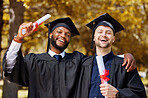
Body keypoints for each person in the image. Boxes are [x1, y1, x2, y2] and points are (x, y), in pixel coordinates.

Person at [3, 17, 136, 98]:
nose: (63, 36)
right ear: (50, 35)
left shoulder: (76, 60)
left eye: (67, 34)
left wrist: (125, 56)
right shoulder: (34, 61)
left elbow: (100, 59)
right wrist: (19, 38)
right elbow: (10, 67)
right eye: (59, 32)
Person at [75, 13, 146, 98]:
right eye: (100, 31)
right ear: (94, 37)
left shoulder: (124, 65)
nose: (104, 35)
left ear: (113, 39)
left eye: (108, 33)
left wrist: (118, 93)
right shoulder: (83, 64)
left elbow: (140, 95)